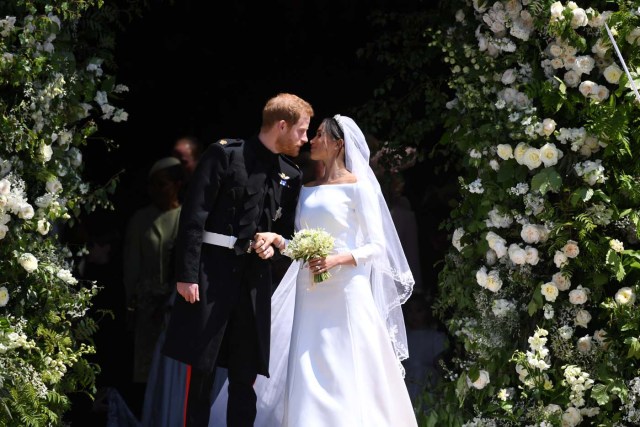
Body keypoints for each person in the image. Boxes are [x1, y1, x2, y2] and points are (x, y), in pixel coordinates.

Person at [211, 115, 418, 426]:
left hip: (346, 289)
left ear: (338, 144)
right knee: (307, 359)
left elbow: (377, 246)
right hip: (309, 290)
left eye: (319, 135)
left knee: (346, 360)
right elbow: (300, 245)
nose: (311, 140)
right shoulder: (306, 188)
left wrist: (336, 259)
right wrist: (278, 240)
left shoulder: (358, 188)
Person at [162, 92, 314, 427]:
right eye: (302, 131)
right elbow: (193, 216)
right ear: (282, 125)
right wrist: (186, 274)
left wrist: (271, 246)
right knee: (201, 369)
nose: (305, 139)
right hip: (210, 275)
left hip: (254, 280)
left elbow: (284, 232)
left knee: (245, 375)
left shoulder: (291, 173)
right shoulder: (226, 155)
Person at [122, 157, 185, 415]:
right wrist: (131, 306)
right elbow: (130, 268)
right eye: (153, 185)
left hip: (174, 309)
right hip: (146, 308)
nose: (156, 191)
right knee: (143, 370)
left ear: (177, 185)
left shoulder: (186, 216)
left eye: (163, 184)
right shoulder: (141, 219)